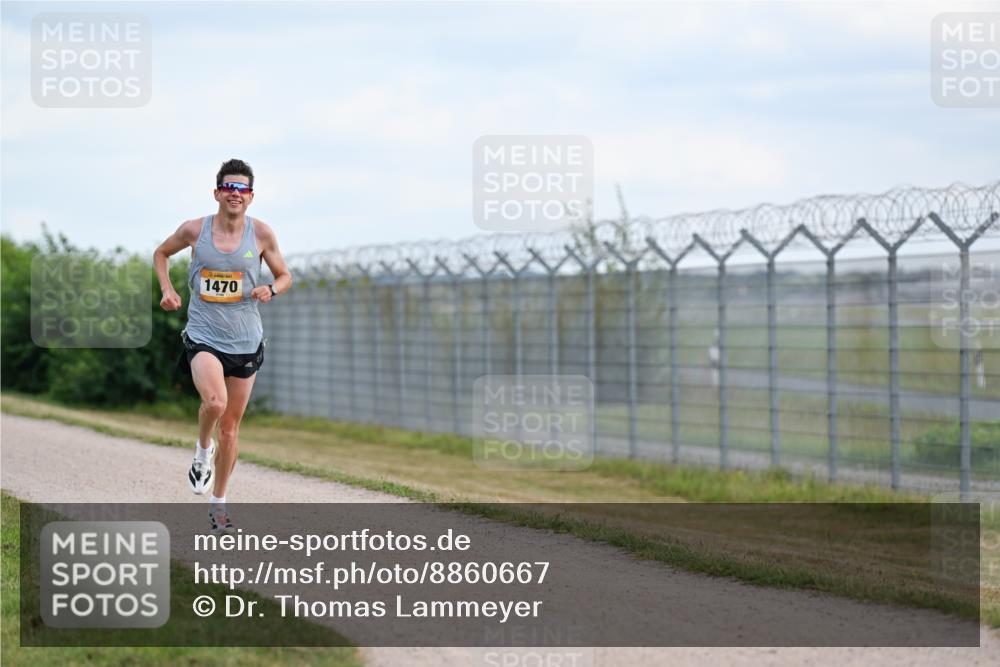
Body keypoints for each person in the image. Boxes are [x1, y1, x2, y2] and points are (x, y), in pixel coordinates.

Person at [153, 158, 292, 534]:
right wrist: (168, 289)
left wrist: (271, 289)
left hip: (246, 341)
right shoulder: (195, 230)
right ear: (217, 193)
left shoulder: (261, 235)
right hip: (203, 336)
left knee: (230, 429)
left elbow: (285, 275)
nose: (235, 193)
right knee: (215, 403)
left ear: (250, 197)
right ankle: (202, 452)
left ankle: (219, 506)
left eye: (242, 189)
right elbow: (161, 253)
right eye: (228, 187)